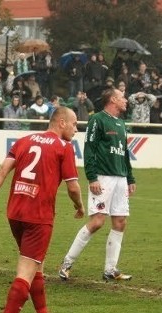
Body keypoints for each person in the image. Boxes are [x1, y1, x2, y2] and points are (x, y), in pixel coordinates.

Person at [0, 107, 84, 313]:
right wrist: (80, 206)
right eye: (74, 124)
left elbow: (3, 170)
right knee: (26, 271)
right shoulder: (63, 147)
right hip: (38, 216)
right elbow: (73, 187)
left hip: (15, 213)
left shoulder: (23, 140)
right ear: (61, 122)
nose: (76, 129)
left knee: (36, 264)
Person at [59, 88, 136, 282]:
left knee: (120, 222)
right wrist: (92, 177)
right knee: (97, 221)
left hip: (120, 178)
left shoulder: (121, 123)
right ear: (112, 100)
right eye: (122, 97)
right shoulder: (98, 120)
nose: (125, 100)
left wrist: (130, 178)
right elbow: (90, 149)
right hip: (102, 177)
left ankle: (110, 269)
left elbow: (125, 153)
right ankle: (66, 263)